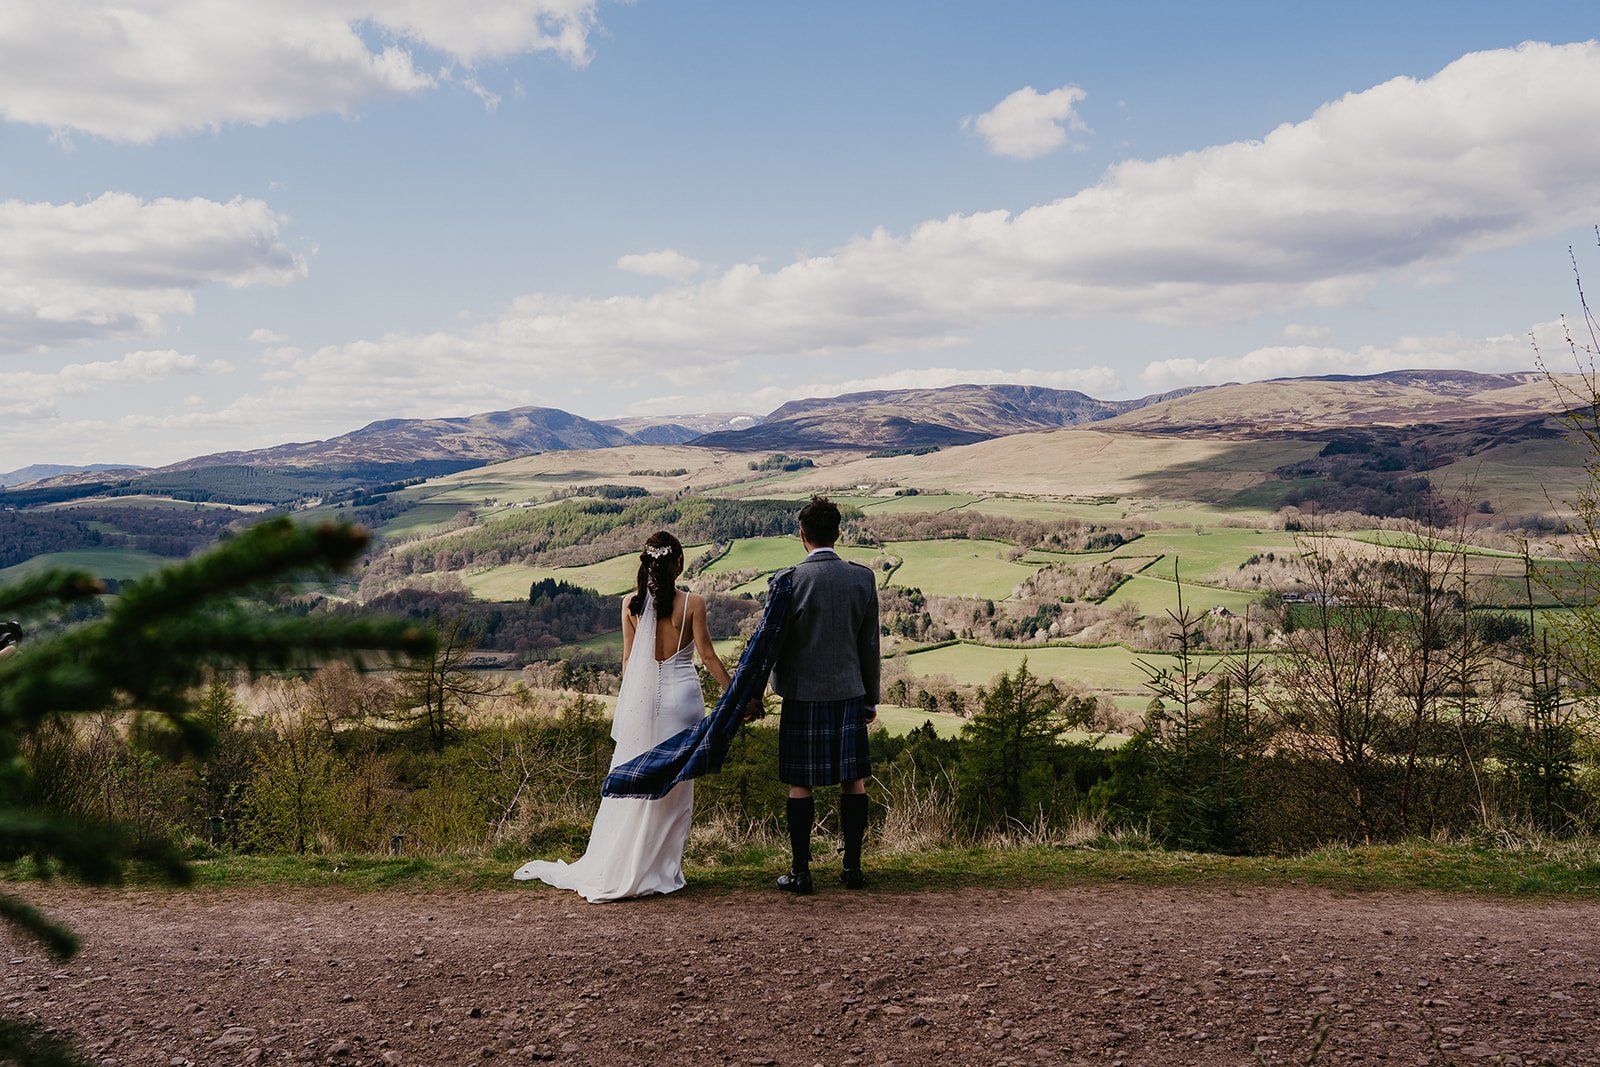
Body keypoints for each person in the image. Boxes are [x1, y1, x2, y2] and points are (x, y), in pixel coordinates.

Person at [512, 531, 731, 902]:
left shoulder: (629, 604)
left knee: (638, 783)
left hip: (642, 704)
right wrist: (734, 690)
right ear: (678, 563)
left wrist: (629, 707)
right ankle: (664, 871)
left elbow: (629, 661)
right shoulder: (693, 603)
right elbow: (707, 656)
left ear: (646, 564)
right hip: (683, 703)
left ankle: (627, 864)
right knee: (676, 787)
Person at [769, 496, 880, 894]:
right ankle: (852, 868)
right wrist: (871, 698)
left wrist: (758, 692)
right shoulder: (862, 578)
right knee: (854, 780)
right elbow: (869, 645)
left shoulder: (788, 580)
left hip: (802, 696)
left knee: (801, 784)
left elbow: (773, 644)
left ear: (803, 536)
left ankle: (800, 872)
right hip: (850, 692)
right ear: (838, 533)